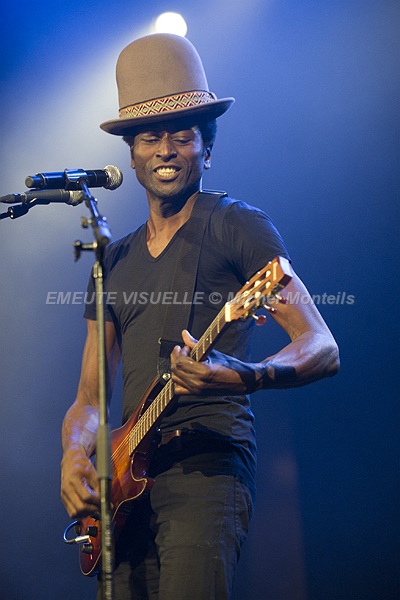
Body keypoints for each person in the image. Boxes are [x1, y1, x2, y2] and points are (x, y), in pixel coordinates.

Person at [60, 33, 339, 600]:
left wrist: (243, 376)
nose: (166, 149)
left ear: (206, 149)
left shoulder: (239, 226)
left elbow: (321, 345)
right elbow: (90, 398)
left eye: (183, 136)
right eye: (150, 137)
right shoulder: (112, 260)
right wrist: (72, 453)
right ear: (132, 153)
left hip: (207, 464)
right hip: (126, 485)